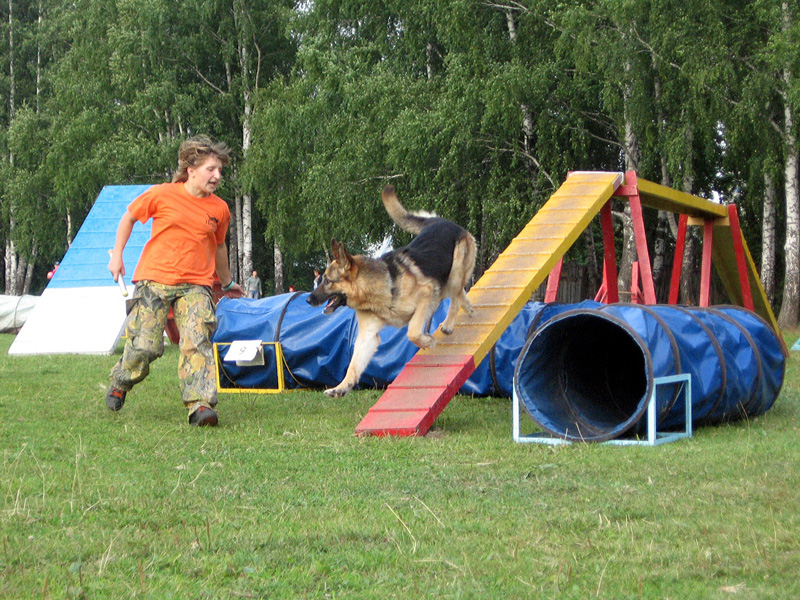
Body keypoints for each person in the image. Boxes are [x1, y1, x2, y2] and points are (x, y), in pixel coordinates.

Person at [105, 135, 243, 427]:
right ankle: (120, 380)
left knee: (197, 341)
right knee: (146, 346)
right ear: (191, 169)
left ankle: (200, 405)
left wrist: (228, 283)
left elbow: (219, 247)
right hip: (154, 280)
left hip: (196, 284)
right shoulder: (163, 194)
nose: (217, 176)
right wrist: (117, 256)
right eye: (210, 169)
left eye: (220, 170)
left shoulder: (220, 210)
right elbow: (129, 218)